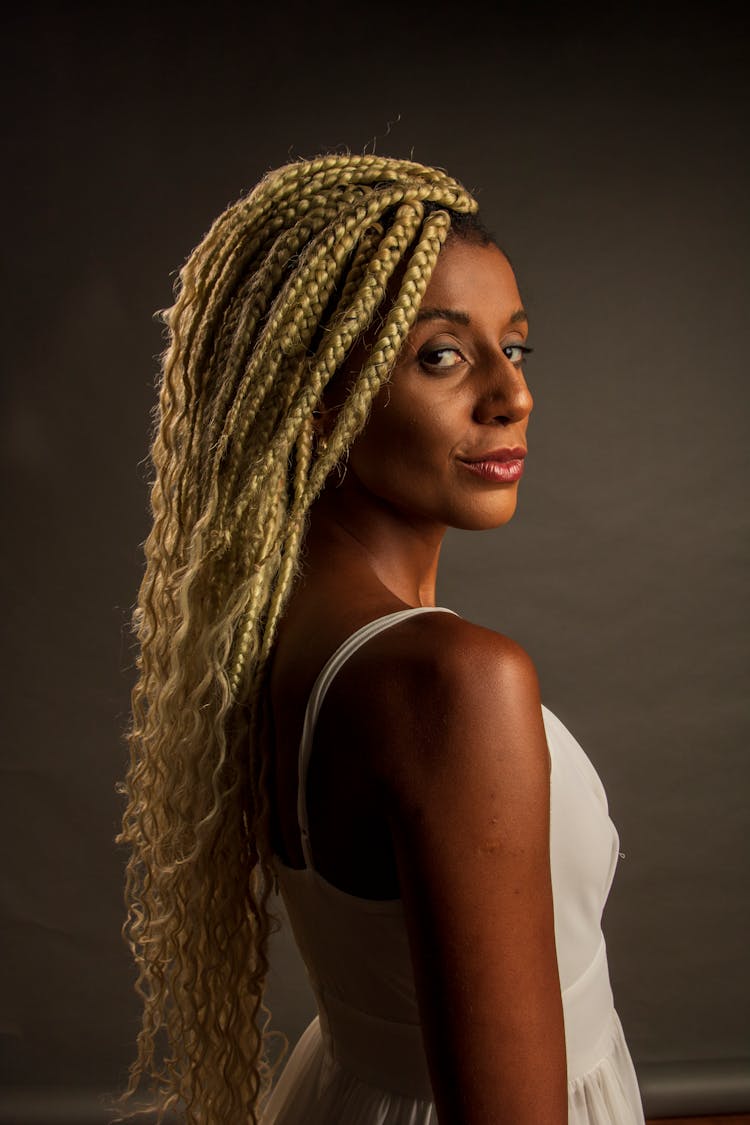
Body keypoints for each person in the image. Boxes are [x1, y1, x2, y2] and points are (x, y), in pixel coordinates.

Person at [118, 153, 646, 1125]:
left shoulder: (275, 636)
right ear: (315, 390)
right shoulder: (454, 683)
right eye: (441, 355)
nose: (510, 396)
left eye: (515, 349)